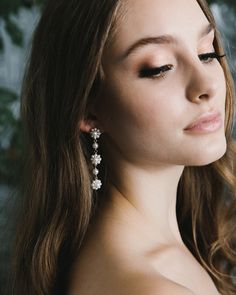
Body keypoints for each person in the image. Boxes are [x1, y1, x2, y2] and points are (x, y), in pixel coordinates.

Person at [10, 0, 236, 294]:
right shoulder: (148, 286)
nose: (207, 84)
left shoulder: (142, 252)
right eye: (159, 68)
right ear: (87, 109)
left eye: (206, 53)